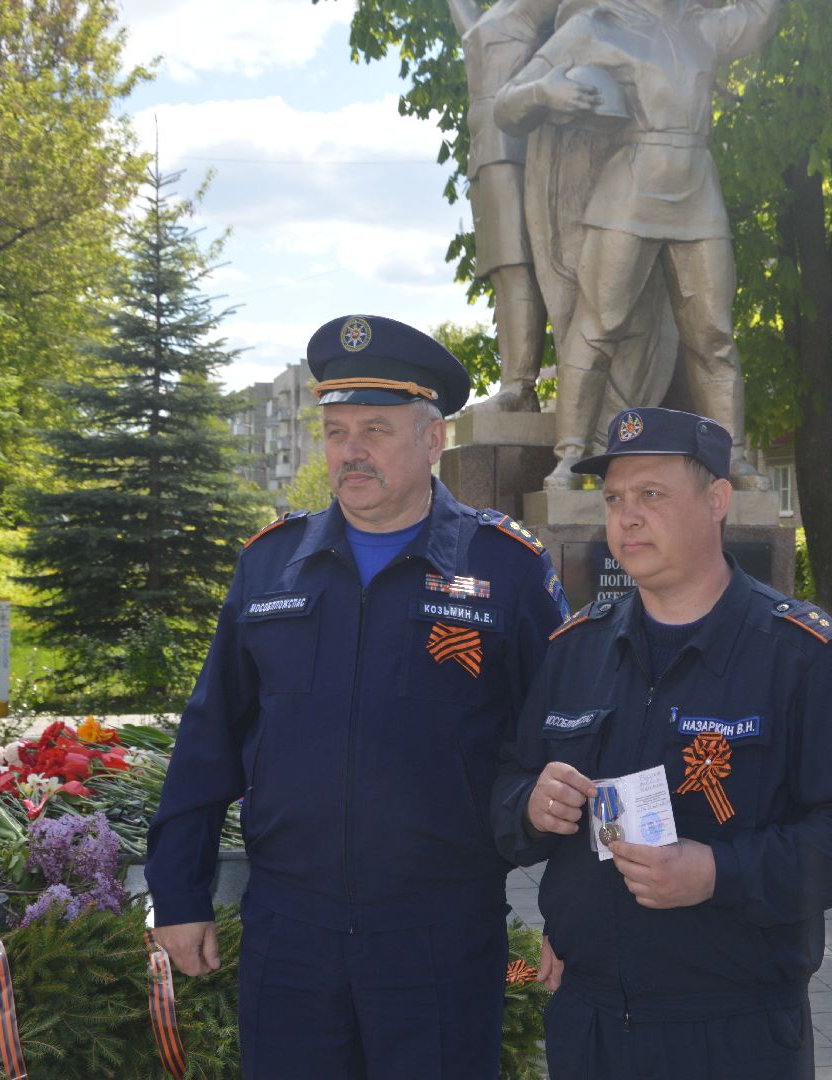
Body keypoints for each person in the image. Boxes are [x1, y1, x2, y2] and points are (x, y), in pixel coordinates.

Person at [145, 315, 571, 1079]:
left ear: (432, 439)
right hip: (289, 928)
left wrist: (572, 916)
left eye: (376, 429)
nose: (351, 451)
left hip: (439, 930)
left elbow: (568, 749)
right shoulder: (272, 566)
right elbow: (209, 737)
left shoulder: (505, 570)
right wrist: (179, 892)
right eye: (337, 430)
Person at [492, 407, 832, 1078]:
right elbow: (509, 783)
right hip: (589, 1021)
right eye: (615, 499)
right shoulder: (575, 650)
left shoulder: (796, 653)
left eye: (651, 495)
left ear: (716, 501)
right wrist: (529, 807)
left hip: (732, 1030)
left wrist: (719, 874)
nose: (626, 517)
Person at [494, 0, 784, 490]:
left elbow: (765, 13)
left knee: (714, 335)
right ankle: (570, 457)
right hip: (630, 187)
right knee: (598, 325)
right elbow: (506, 105)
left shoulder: (705, 29)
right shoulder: (596, 25)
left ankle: (730, 455)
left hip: (697, 189)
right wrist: (547, 90)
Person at [447, 0, 559, 412]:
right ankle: (514, 383)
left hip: (513, 142)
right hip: (486, 146)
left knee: (517, 265)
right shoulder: (497, 14)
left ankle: (519, 386)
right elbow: (469, 28)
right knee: (503, 270)